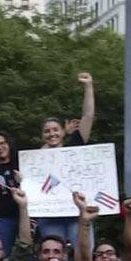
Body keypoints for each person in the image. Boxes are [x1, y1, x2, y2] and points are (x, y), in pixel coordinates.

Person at [35, 72, 96, 244]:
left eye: (55, 129)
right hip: (50, 216)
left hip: (76, 213)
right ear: (42, 136)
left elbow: (88, 116)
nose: (51, 133)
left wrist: (88, 85)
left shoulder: (74, 147)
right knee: (53, 255)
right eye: (47, 131)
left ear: (63, 131)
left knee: (83, 252)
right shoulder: (36, 158)